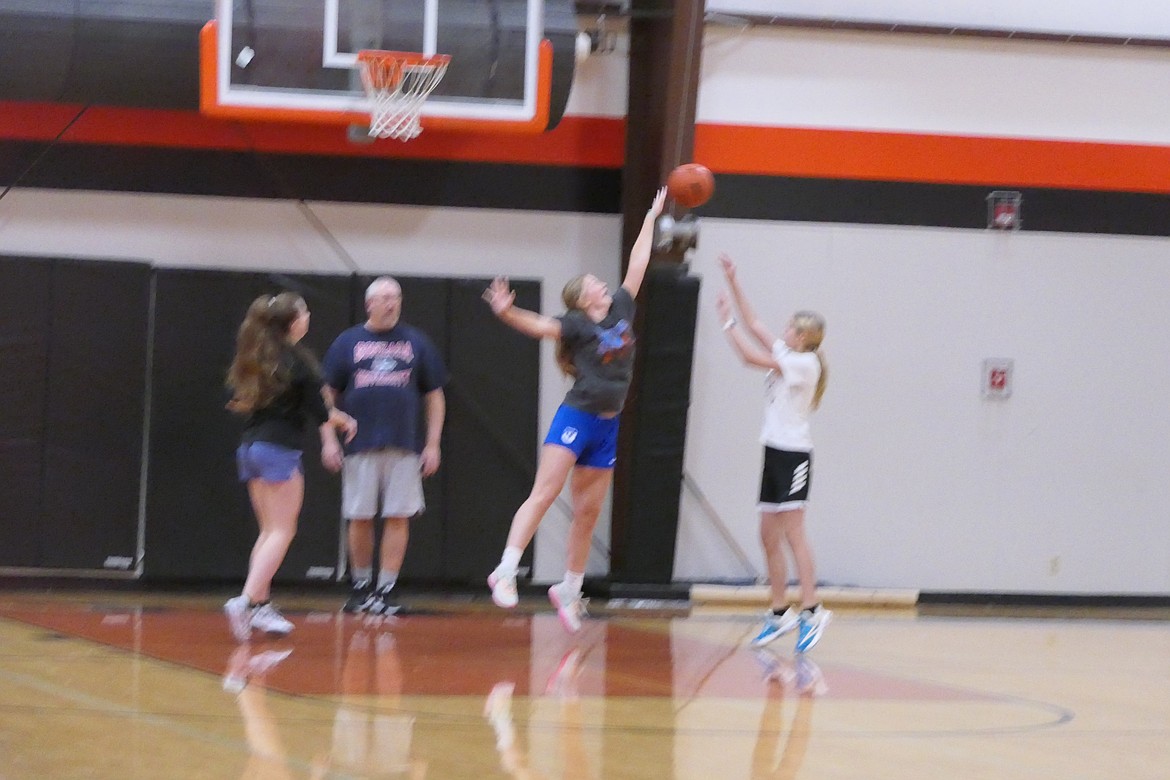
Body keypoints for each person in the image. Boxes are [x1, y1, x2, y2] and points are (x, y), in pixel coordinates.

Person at [481, 187, 667, 634]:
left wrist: (651, 216)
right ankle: (506, 570)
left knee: (587, 513)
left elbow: (638, 263)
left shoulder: (621, 307)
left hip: (607, 424)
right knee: (544, 493)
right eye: (593, 283)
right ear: (584, 299)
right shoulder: (576, 324)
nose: (602, 283)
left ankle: (569, 588)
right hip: (577, 417)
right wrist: (508, 314)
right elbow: (540, 325)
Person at [715, 252, 832, 653]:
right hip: (773, 452)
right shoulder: (790, 353)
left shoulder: (805, 364)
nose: (782, 331)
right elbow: (757, 324)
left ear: (803, 336)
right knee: (768, 535)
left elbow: (749, 355)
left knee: (794, 533)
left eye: (789, 328)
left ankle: (813, 609)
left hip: (795, 456)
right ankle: (781, 611)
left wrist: (726, 323)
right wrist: (734, 279)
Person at [224, 292, 357, 643]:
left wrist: (335, 418)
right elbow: (320, 410)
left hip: (251, 447)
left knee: (269, 531)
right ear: (294, 321)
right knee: (282, 531)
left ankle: (261, 605)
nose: (308, 316)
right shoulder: (298, 360)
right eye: (305, 312)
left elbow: (311, 406)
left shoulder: (262, 354)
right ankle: (246, 601)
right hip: (278, 449)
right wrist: (341, 421)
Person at [322, 277, 448, 617]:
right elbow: (326, 396)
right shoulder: (347, 342)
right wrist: (328, 439)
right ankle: (361, 586)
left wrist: (433, 443)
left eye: (396, 297)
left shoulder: (417, 342)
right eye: (385, 298)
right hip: (358, 443)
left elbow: (435, 396)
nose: (392, 303)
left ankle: (386, 589)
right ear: (370, 305)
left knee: (398, 515)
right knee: (360, 516)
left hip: (404, 444)